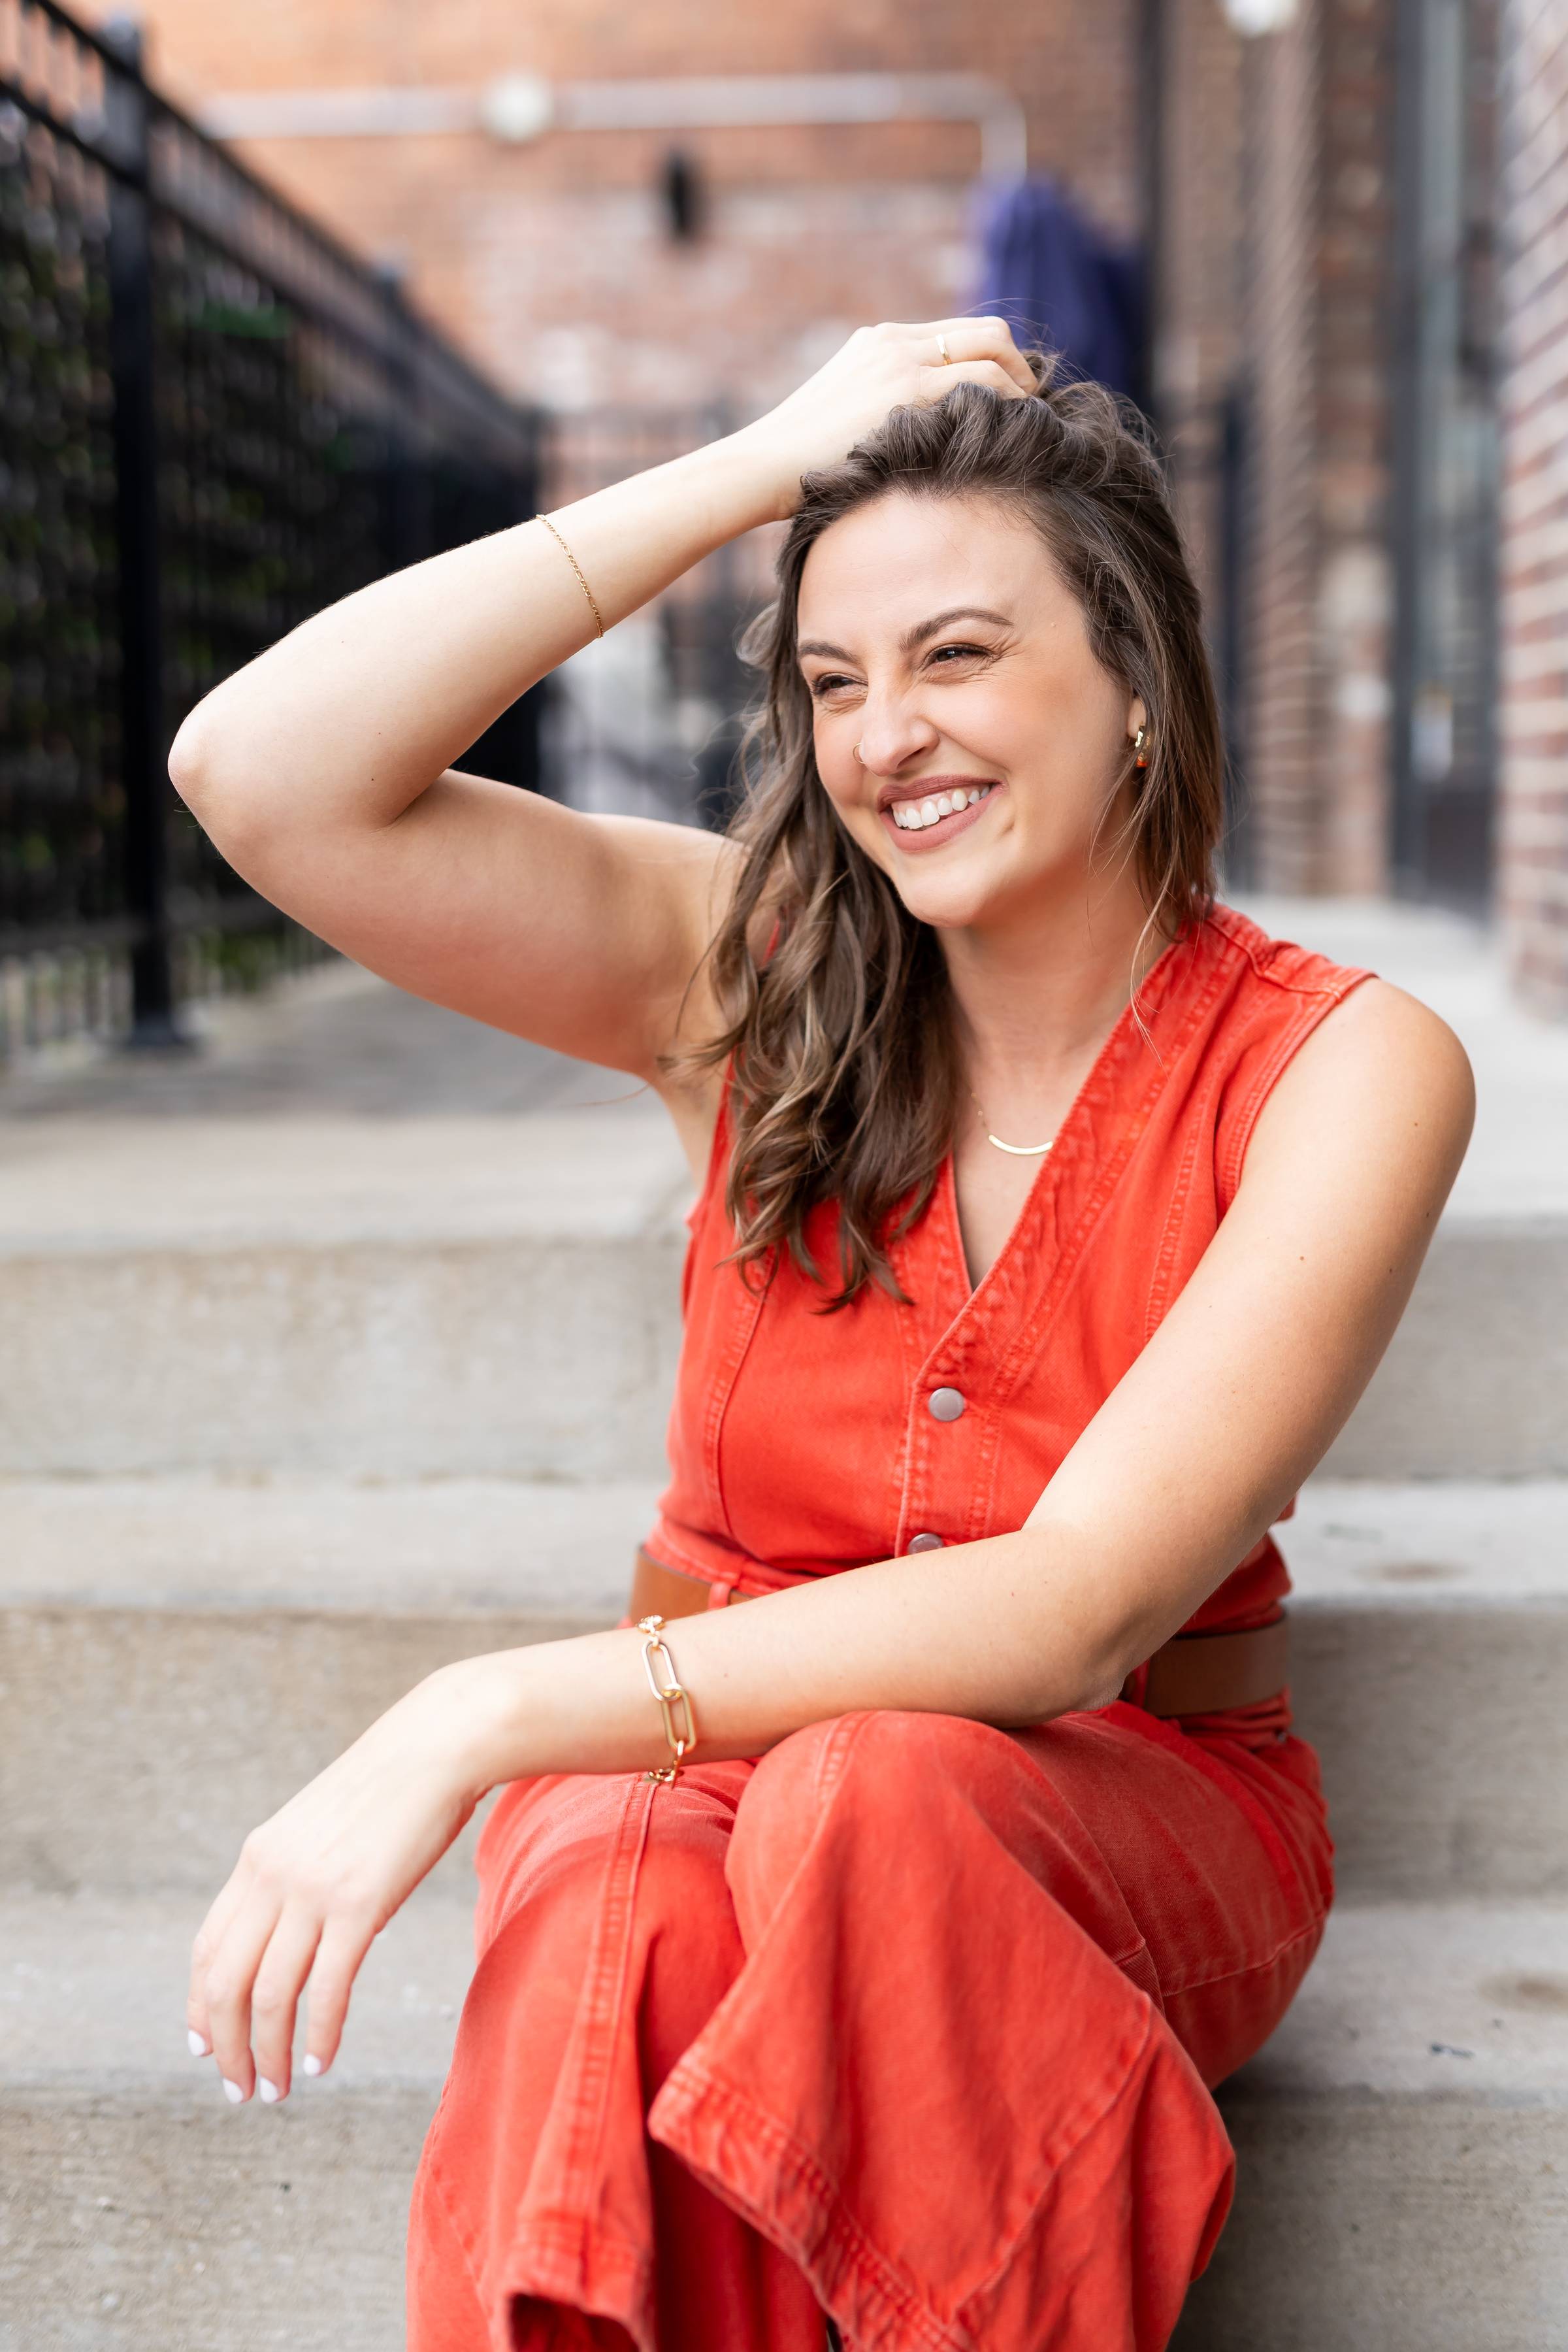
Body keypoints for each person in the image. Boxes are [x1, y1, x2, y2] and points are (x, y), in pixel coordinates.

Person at [171, 319, 1473, 2352]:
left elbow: (1063, 1615)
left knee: (880, 1792)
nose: (886, 741)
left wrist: (472, 1713)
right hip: (688, 1791)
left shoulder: (1340, 1068)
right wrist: (757, 464)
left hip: (1107, 1817)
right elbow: (257, 774)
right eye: (835, 681)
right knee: (619, 1882)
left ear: (1136, 686)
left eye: (957, 656)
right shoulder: (743, 976)